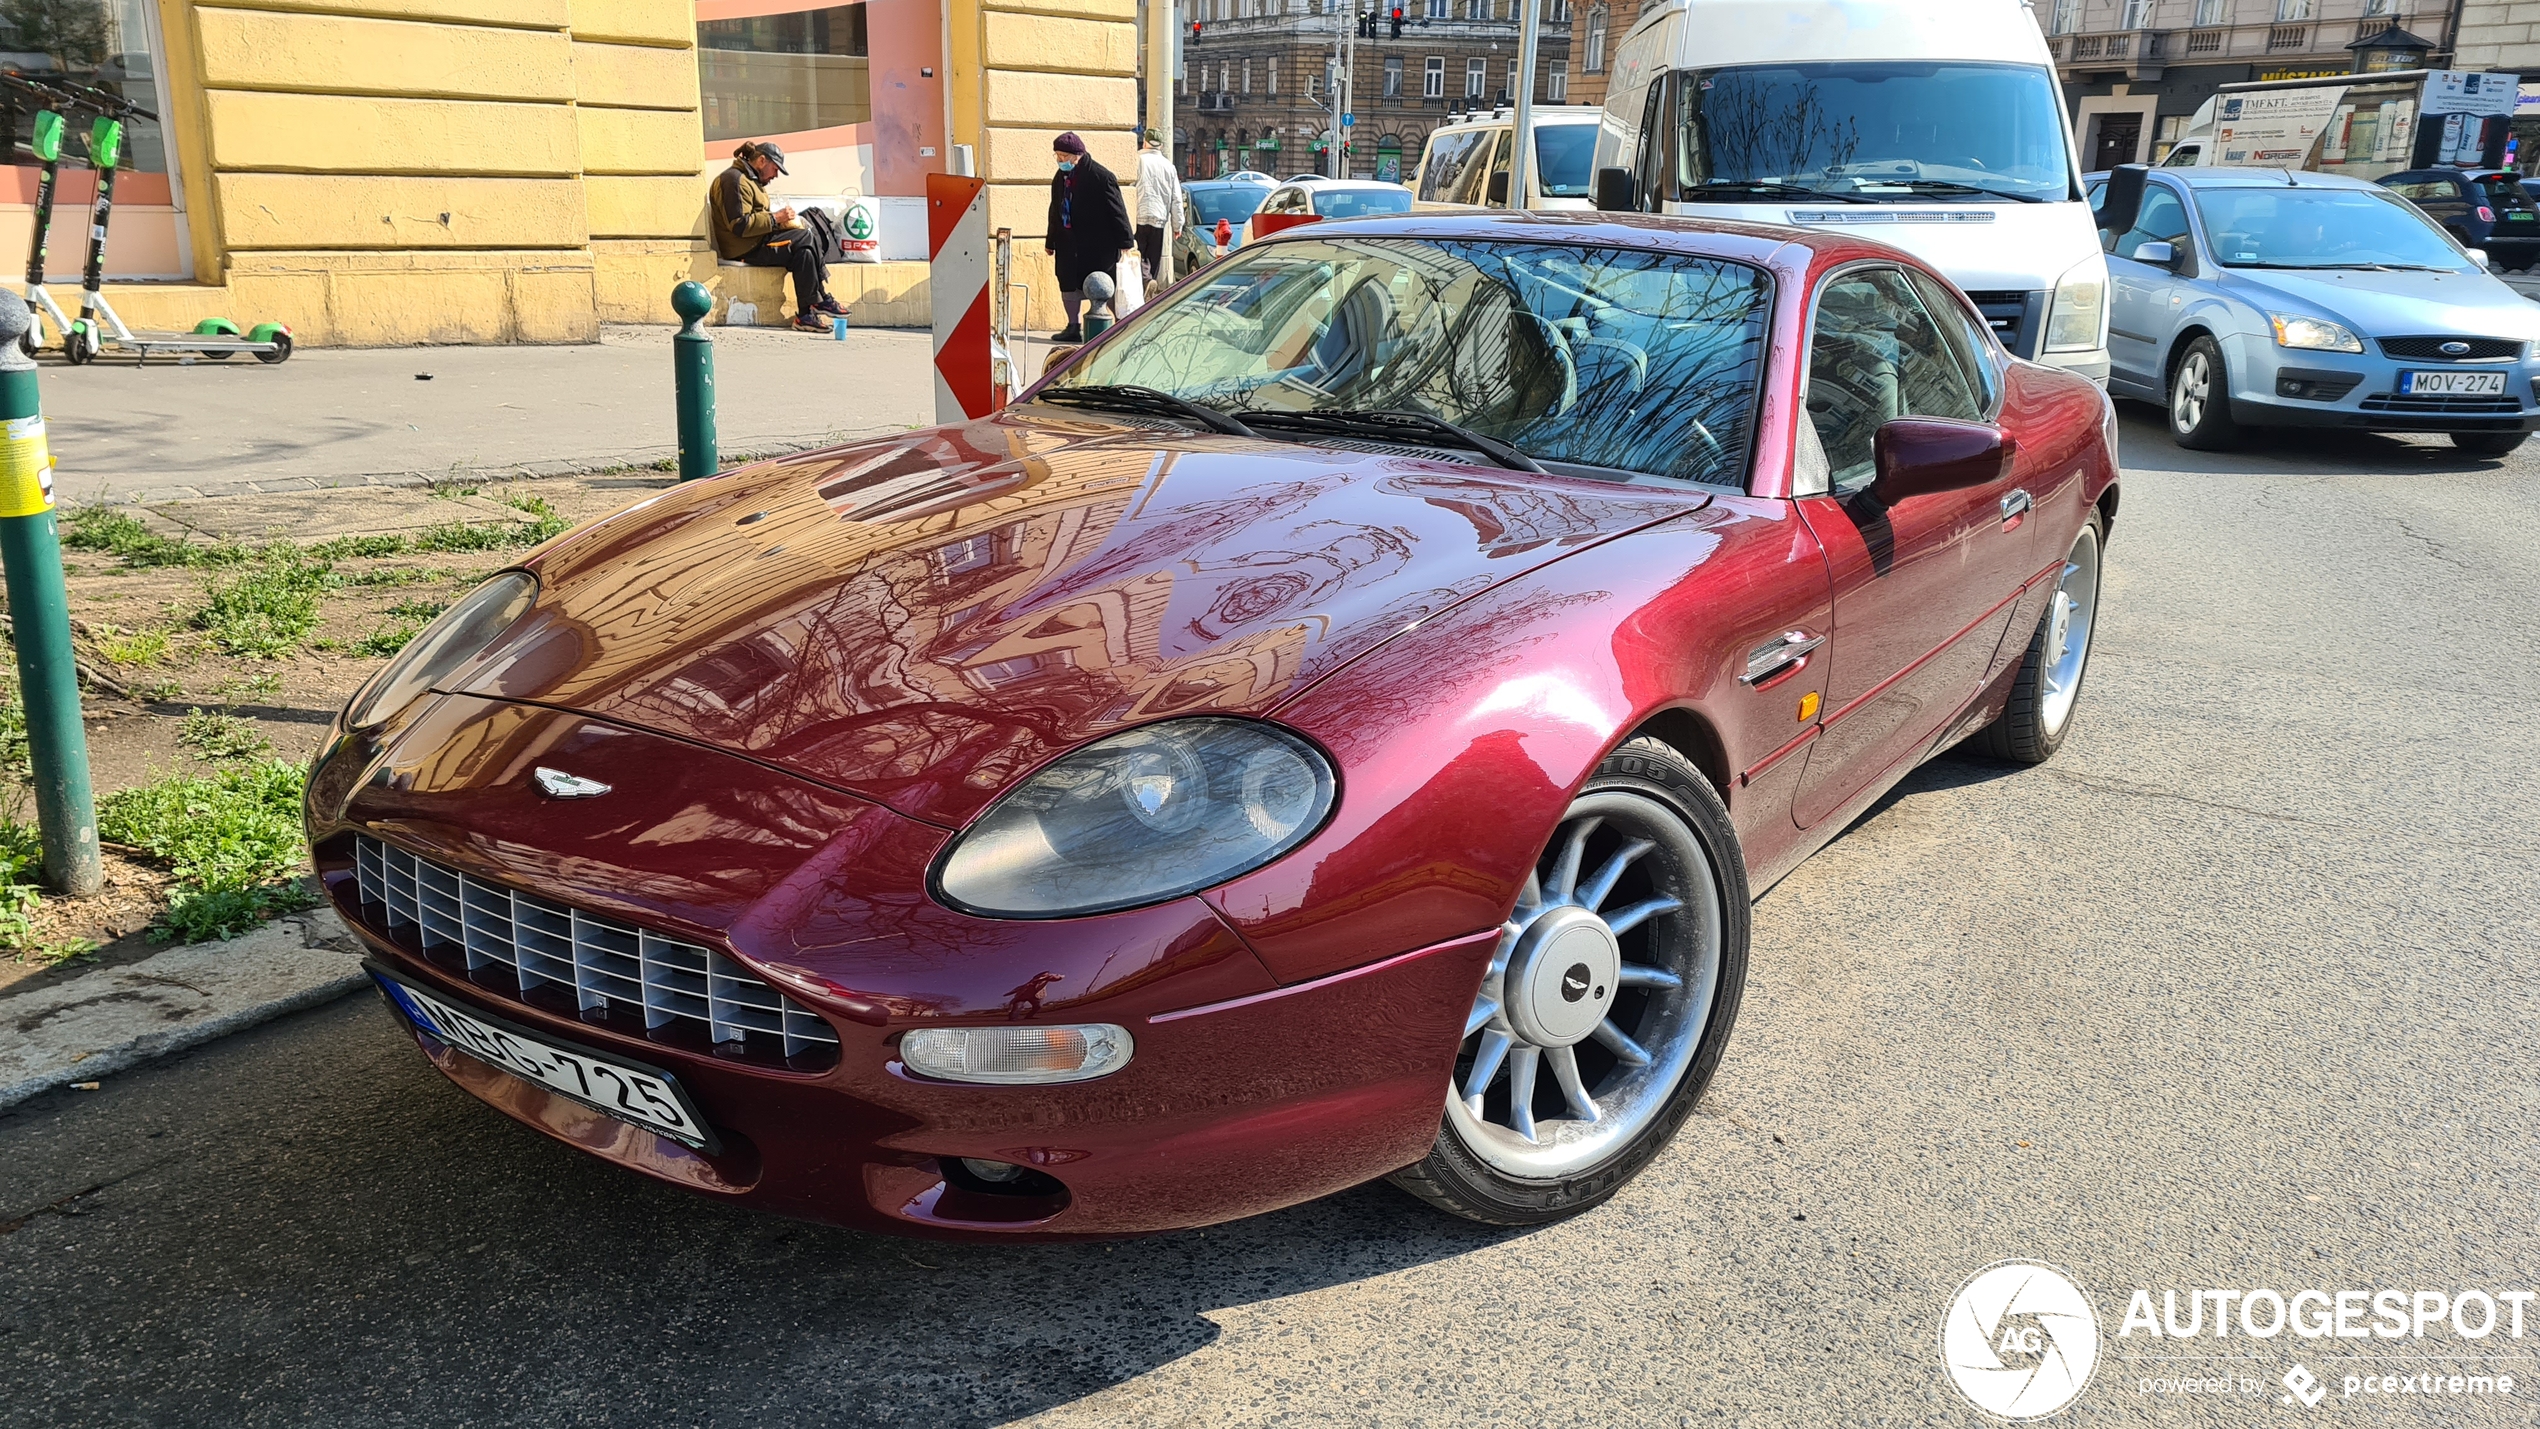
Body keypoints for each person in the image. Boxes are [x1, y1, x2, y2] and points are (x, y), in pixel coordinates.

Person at [710, 141, 846, 333]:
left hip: (757, 241)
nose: (775, 176)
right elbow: (739, 225)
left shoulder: (751, 180)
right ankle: (821, 298)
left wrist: (778, 222)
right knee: (805, 237)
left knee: (804, 252)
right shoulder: (734, 179)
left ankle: (806, 315)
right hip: (745, 249)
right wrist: (775, 218)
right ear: (762, 161)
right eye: (775, 169)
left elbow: (756, 218)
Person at [1045, 132, 1134, 343]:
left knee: (1103, 284)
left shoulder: (1101, 177)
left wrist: (1125, 243)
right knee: (1068, 284)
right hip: (1068, 242)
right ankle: (1073, 326)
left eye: (1064, 156)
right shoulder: (1060, 178)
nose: (1060, 161)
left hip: (1097, 244)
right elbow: (1054, 210)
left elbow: (1117, 211)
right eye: (1057, 156)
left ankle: (1121, 325)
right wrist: (1050, 241)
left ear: (1078, 155)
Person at [1133, 128, 1181, 288]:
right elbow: (1176, 199)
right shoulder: (1169, 166)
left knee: (1137, 256)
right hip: (1159, 219)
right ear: (1161, 146)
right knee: (1153, 259)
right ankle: (1149, 283)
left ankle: (1145, 283)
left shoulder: (1136, 160)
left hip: (1137, 216)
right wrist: (1177, 225)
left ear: (1145, 142)